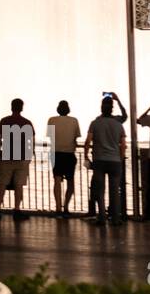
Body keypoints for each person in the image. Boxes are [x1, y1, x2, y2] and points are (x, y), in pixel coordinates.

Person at [85, 95, 126, 225]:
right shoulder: (118, 125)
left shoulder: (95, 123)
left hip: (99, 161)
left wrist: (86, 155)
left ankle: (101, 217)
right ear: (112, 109)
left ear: (101, 108)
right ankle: (115, 219)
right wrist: (120, 157)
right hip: (115, 161)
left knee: (99, 191)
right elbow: (123, 144)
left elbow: (87, 142)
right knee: (115, 191)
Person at [0, 99, 34, 221]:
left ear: (11, 107)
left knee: (2, 184)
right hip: (21, 158)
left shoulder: (4, 121)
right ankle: (17, 210)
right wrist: (29, 157)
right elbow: (30, 142)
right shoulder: (27, 123)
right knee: (19, 185)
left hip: (6, 156)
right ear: (21, 108)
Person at [47, 100, 80, 218]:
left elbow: (50, 137)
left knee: (57, 180)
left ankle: (58, 208)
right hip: (69, 154)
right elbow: (76, 138)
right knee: (70, 181)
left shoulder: (51, 120)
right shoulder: (74, 120)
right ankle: (66, 207)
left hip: (56, 153)